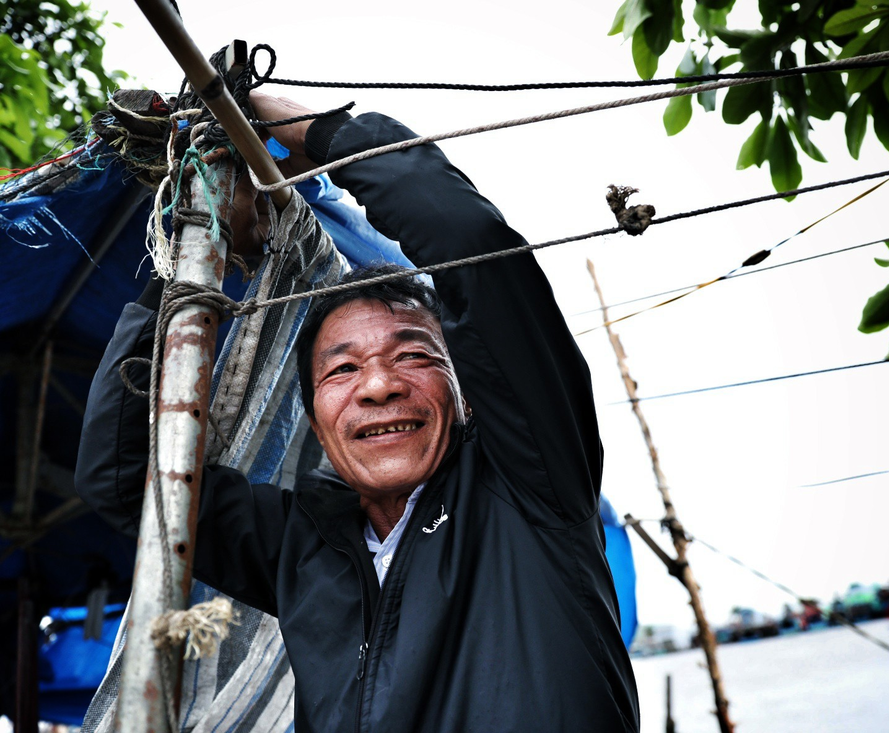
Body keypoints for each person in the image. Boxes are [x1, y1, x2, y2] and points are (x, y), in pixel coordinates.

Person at [75, 94, 640, 732]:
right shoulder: (302, 546)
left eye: (413, 356)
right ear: (315, 421)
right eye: (342, 369)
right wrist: (179, 281)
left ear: (465, 394)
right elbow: (124, 484)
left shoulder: (530, 486)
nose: (377, 386)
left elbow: (468, 240)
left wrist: (281, 118)